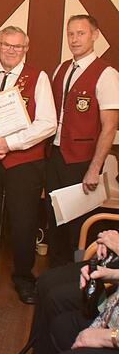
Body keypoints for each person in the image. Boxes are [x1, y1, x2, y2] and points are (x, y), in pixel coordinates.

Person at [0, 26, 57, 304]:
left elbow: (47, 123)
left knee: (24, 221)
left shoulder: (38, 77)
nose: (10, 50)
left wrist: (11, 144)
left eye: (17, 47)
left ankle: (24, 278)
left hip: (24, 162)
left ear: (25, 49)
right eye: (6, 45)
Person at [47, 15, 119, 268]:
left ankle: (78, 278)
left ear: (95, 35)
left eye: (81, 33)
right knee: (54, 219)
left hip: (81, 161)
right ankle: (54, 276)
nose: (75, 39)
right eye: (71, 34)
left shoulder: (107, 74)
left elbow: (109, 128)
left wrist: (93, 169)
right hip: (54, 156)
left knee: (77, 225)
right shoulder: (61, 68)